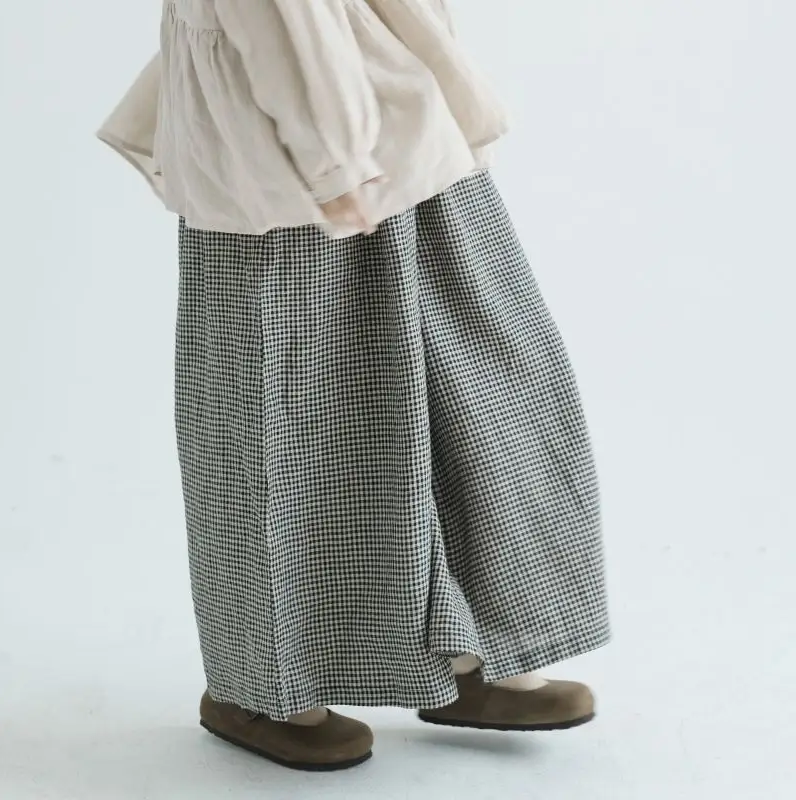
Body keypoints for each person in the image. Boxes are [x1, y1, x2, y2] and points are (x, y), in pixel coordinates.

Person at [97, 0, 610, 772]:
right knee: (289, 431)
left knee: (464, 400)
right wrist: (334, 161)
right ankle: (265, 686)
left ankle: (464, 652)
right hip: (292, 172)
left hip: (389, 133)